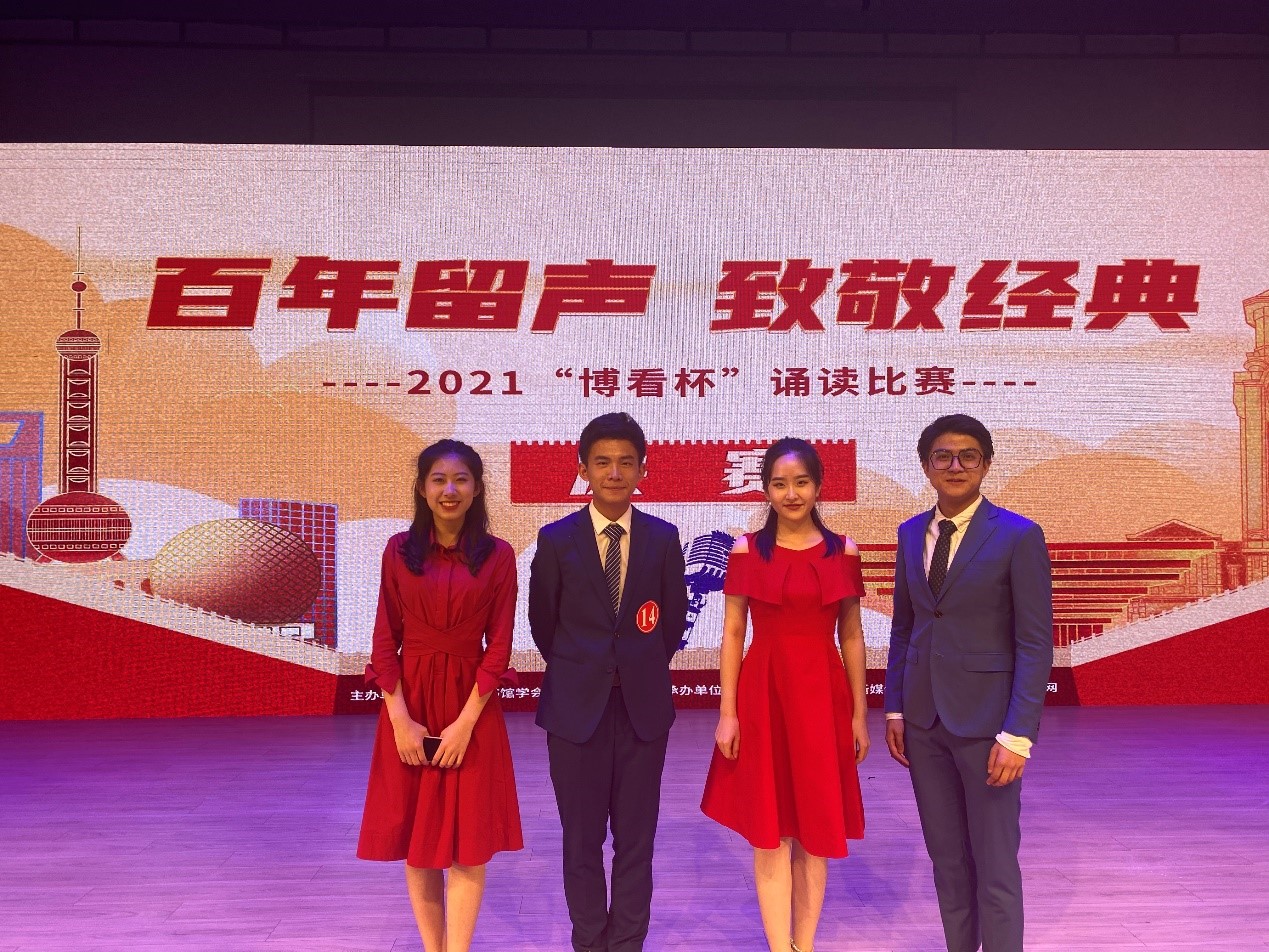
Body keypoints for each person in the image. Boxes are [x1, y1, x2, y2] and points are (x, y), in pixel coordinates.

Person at [884, 414, 1053, 952]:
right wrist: (895, 709)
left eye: (968, 456)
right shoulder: (911, 533)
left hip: (988, 727)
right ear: (925, 465)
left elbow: (1034, 643)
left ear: (985, 464)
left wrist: (1018, 735)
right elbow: (905, 626)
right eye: (943, 456)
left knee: (995, 865)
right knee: (948, 861)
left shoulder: (1019, 535)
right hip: (923, 722)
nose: (955, 466)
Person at [701, 438, 870, 952]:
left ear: (818, 486)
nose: (790, 494)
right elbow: (733, 633)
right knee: (770, 831)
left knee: (815, 830)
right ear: (766, 489)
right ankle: (780, 947)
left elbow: (852, 636)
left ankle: (805, 945)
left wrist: (860, 715)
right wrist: (727, 713)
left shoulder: (843, 550)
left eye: (801, 483)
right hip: (764, 696)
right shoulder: (746, 550)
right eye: (779, 484)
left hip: (823, 698)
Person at [529, 412, 688, 952]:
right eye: (602, 463)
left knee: (636, 841)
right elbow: (544, 624)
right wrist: (587, 670)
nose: (614, 473)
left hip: (643, 711)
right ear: (583, 470)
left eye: (625, 463)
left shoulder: (663, 538)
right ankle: (589, 941)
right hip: (575, 713)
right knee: (581, 841)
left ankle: (628, 943)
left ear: (643, 470)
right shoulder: (556, 540)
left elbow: (671, 624)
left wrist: (632, 668)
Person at [357, 439, 523, 952]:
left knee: (469, 844)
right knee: (418, 839)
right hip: (410, 705)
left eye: (461, 479)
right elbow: (384, 640)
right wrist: (400, 720)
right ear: (422, 488)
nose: (450, 490)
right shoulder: (397, 551)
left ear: (477, 489)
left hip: (472, 708)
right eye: (438, 479)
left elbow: (499, 648)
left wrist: (466, 724)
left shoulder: (499, 556)